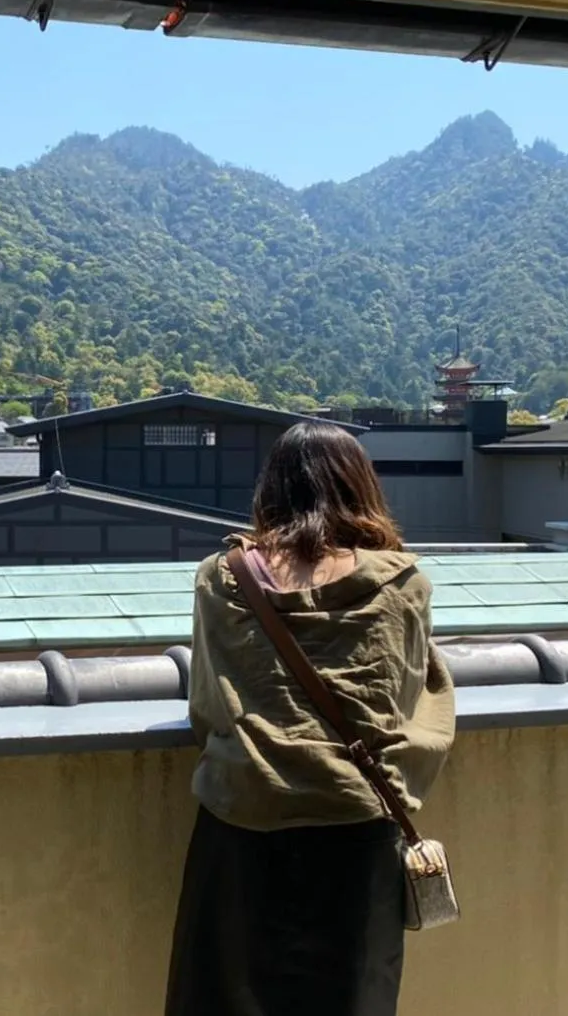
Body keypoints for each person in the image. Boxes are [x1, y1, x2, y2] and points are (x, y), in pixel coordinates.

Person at [164, 421, 456, 1016]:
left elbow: (209, 705)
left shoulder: (224, 578)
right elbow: (407, 703)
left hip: (243, 819)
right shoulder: (402, 583)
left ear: (272, 489)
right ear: (360, 487)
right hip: (355, 828)